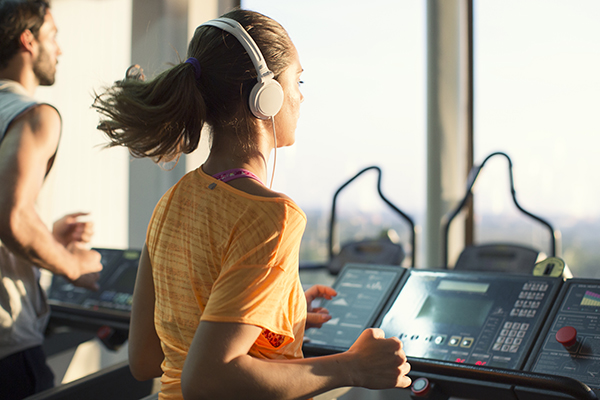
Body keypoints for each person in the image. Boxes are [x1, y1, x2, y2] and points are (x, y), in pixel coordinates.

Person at [93, 8, 411, 400]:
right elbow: (207, 379)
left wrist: (282, 311)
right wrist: (354, 366)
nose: (301, 95)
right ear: (267, 94)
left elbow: (144, 359)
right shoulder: (273, 216)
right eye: (299, 79)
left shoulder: (171, 202)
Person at [0, 1, 103, 398]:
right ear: (28, 40)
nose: (59, 49)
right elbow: (13, 220)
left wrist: (48, 235)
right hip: (8, 341)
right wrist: (73, 265)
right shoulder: (36, 115)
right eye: (53, 36)